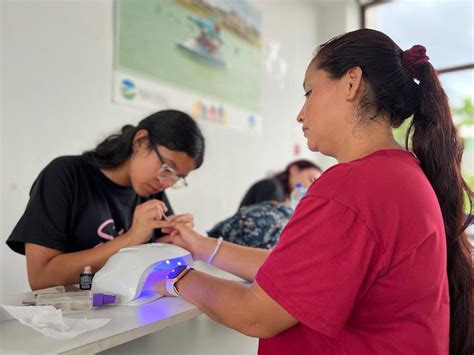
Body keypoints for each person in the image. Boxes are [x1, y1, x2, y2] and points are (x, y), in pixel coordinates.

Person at [155, 29, 473, 354]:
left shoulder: (352, 187)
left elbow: (256, 315)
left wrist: (168, 276)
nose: (301, 114)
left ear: (351, 83)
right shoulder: (402, 173)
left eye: (308, 92)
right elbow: (294, 272)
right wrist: (199, 246)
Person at [6, 109, 205, 291]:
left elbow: (156, 260)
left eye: (178, 177)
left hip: (129, 317)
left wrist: (176, 243)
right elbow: (41, 278)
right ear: (140, 142)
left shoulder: (152, 190)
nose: (168, 182)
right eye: (168, 168)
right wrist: (130, 239)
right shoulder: (65, 176)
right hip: (68, 320)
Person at [239, 160, 322, 208]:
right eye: (310, 180)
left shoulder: (287, 199)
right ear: (294, 170)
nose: (310, 188)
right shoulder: (272, 186)